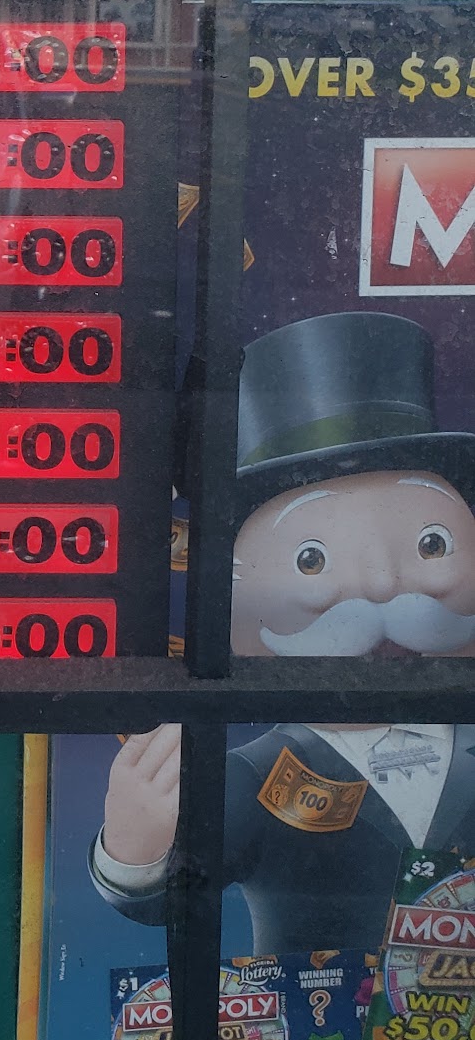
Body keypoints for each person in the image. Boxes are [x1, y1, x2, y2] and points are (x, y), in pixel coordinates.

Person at [92, 313, 475, 953]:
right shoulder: (254, 776)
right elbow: (168, 901)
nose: (383, 584)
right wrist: (134, 849)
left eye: (431, 545)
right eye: (312, 560)